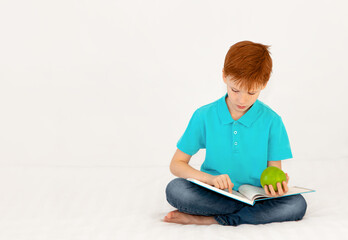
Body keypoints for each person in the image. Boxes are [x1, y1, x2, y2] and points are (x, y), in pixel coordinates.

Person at [163, 40, 307, 226]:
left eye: (251, 92)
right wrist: (211, 179)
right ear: (224, 76)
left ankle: (213, 219)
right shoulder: (204, 115)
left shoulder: (272, 121)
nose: (242, 99)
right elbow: (177, 164)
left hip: (255, 196)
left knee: (297, 204)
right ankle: (247, 215)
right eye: (235, 89)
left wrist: (275, 186)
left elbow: (274, 170)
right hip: (215, 194)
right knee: (176, 190)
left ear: (264, 85)